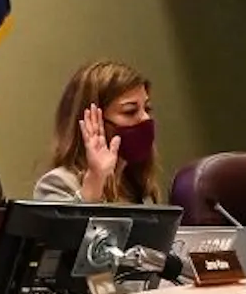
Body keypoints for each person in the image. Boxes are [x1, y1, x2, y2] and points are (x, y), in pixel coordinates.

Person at [34, 60, 162, 203]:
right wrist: (95, 181)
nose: (145, 118)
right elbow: (69, 225)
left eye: (147, 109)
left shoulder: (140, 188)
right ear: (93, 120)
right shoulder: (58, 184)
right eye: (130, 111)